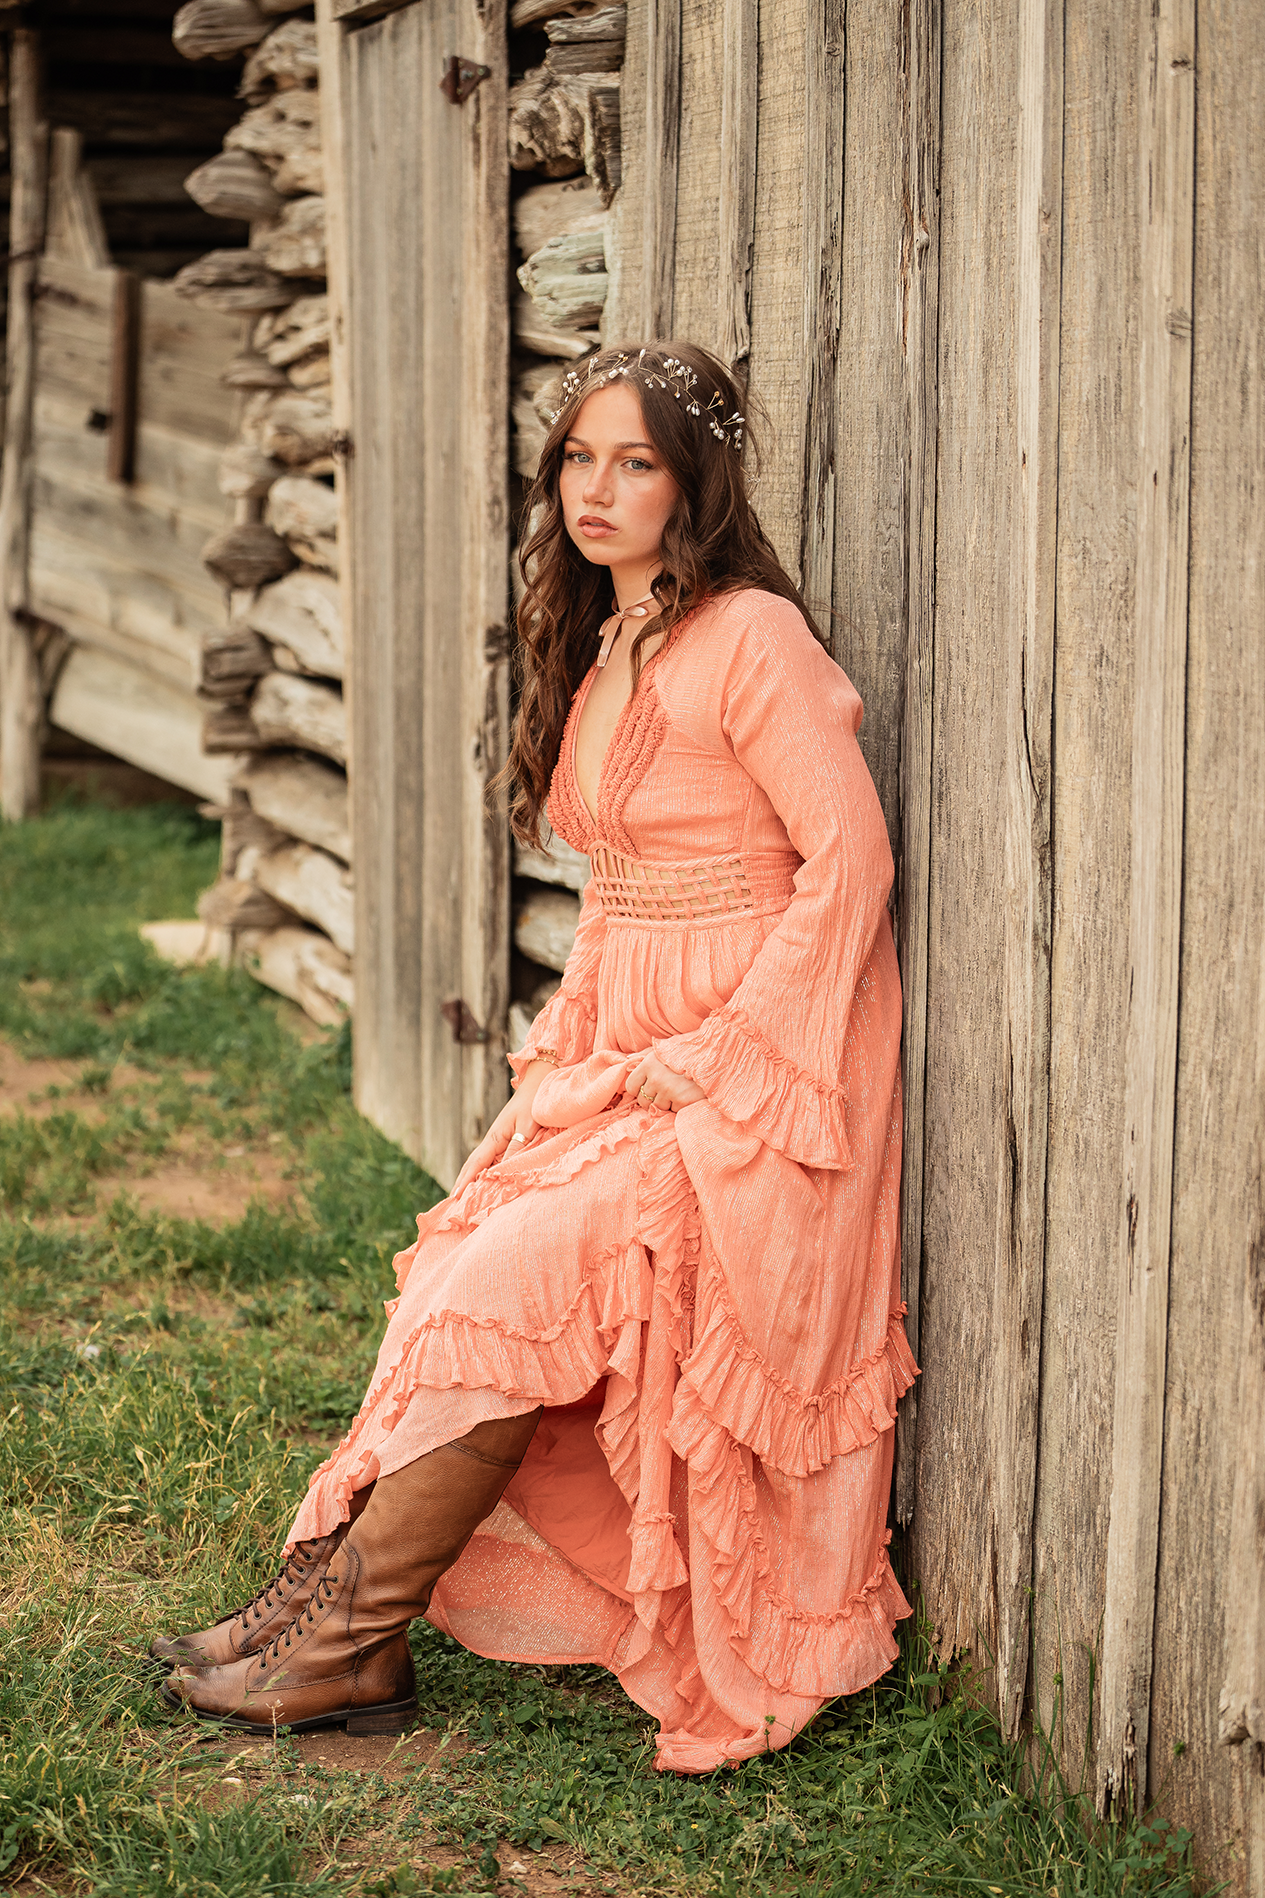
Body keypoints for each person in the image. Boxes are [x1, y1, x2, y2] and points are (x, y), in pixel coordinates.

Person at [156, 342, 917, 1773]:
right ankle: (331, 1617)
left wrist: (731, 1055)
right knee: (460, 1258)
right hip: (624, 1061)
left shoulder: (752, 637)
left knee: (512, 1276)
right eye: (577, 457)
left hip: (753, 1089)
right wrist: (566, 1067)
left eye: (635, 462)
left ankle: (342, 1639)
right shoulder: (613, 639)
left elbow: (851, 860)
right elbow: (625, 901)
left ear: (695, 486)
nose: (597, 488)